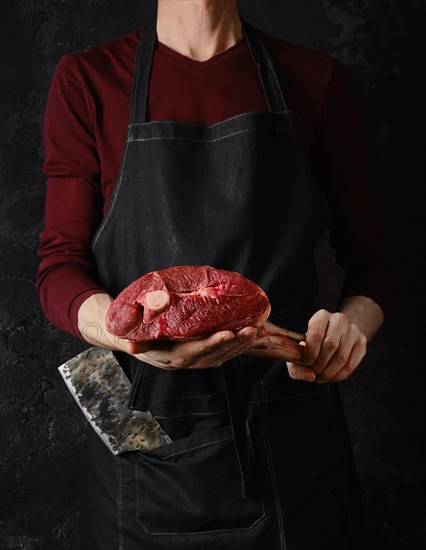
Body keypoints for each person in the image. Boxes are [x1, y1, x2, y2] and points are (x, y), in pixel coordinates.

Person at [37, 0, 395, 548]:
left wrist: (351, 329)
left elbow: (372, 261)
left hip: (289, 431)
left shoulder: (314, 78)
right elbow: (57, 267)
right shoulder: (87, 80)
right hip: (135, 427)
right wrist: (128, 335)